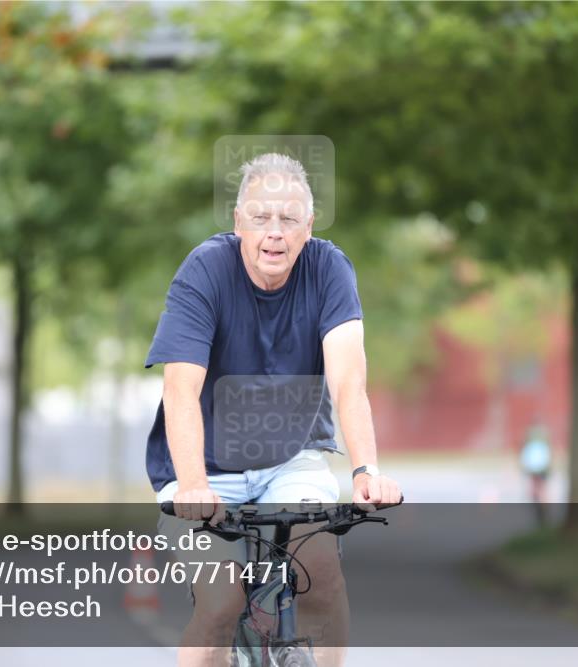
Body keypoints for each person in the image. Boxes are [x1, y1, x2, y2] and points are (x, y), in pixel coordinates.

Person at [144, 152, 402, 667]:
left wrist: (366, 472)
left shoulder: (329, 269)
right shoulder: (206, 270)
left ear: (309, 225)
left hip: (290, 458)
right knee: (220, 604)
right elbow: (180, 389)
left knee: (320, 575)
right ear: (238, 221)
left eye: (289, 218)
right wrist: (194, 484)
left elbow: (348, 382)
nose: (274, 232)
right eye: (261, 217)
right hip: (203, 470)